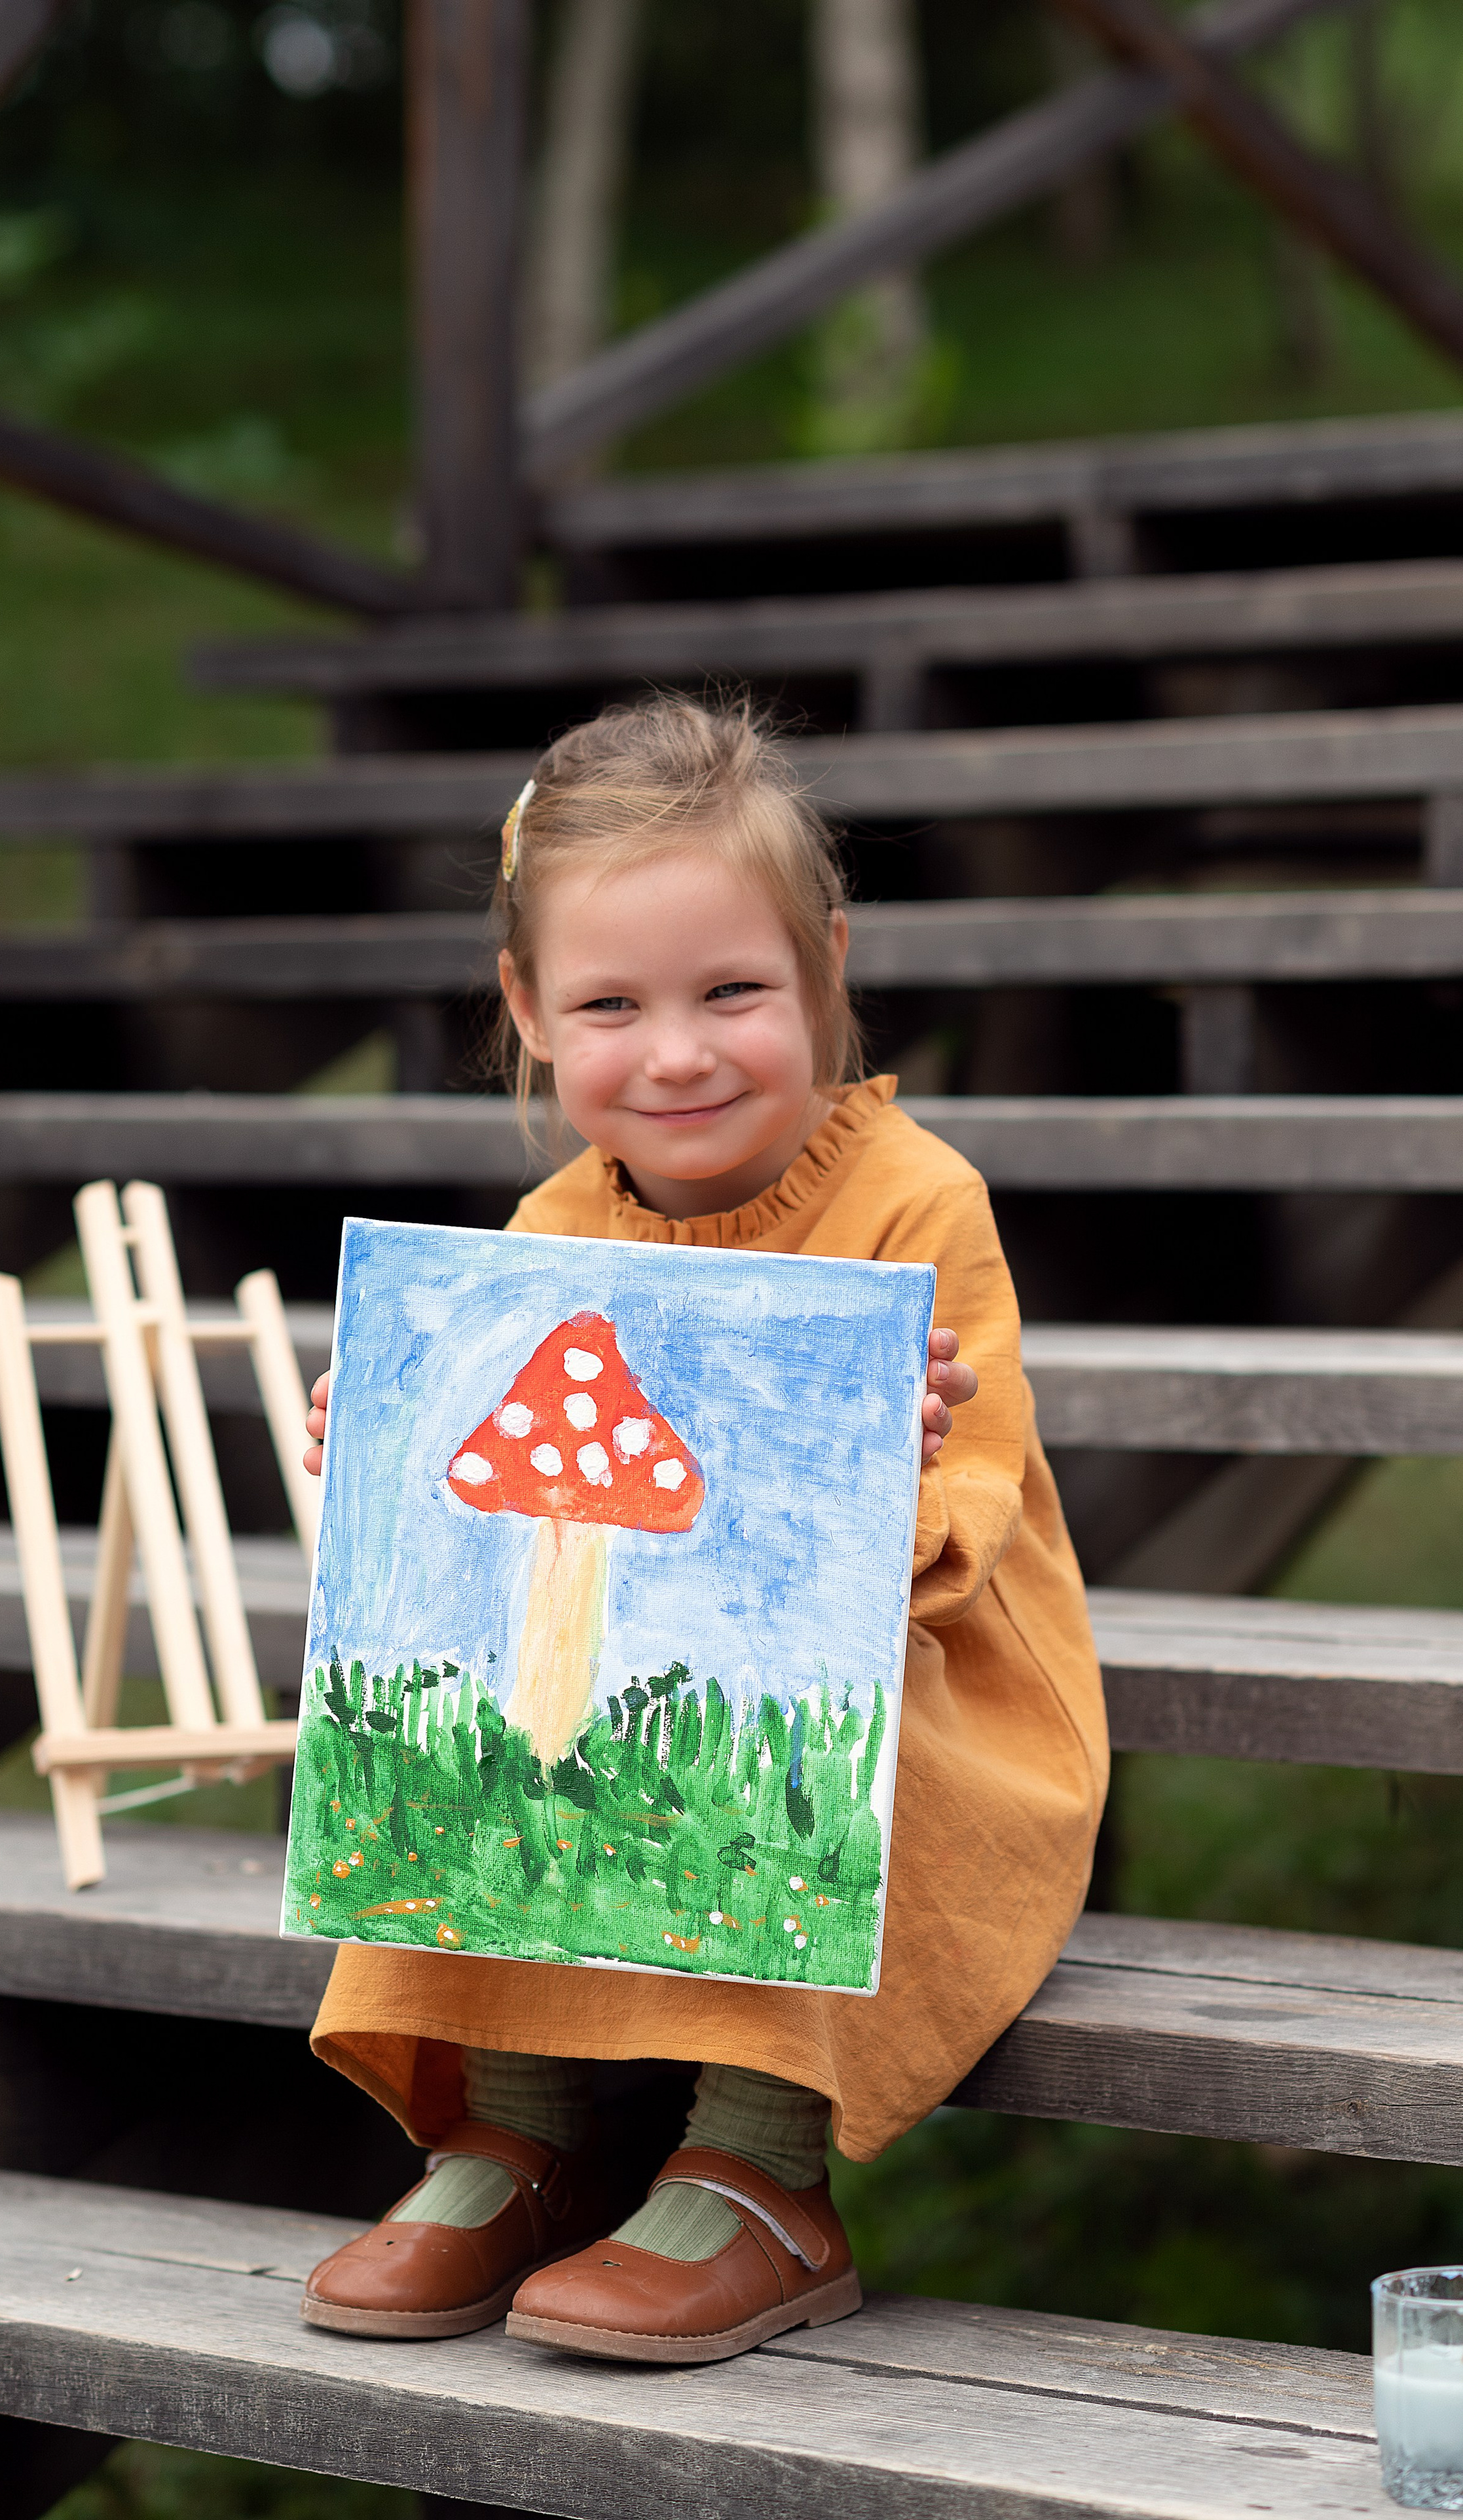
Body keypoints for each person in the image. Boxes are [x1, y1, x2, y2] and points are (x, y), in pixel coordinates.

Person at [297, 694, 1107, 2365]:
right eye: (610, 1003)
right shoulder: (545, 1224)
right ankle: (517, 2137)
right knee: (479, 1714)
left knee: (786, 1754)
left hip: (934, 1688)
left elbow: (976, 1519)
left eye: (731, 990)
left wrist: (891, 1471)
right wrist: (388, 1440)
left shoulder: (911, 1198)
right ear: (527, 1009)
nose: (676, 1051)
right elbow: (501, 1522)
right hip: (635, 1654)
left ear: (820, 963)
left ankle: (758, 2171)